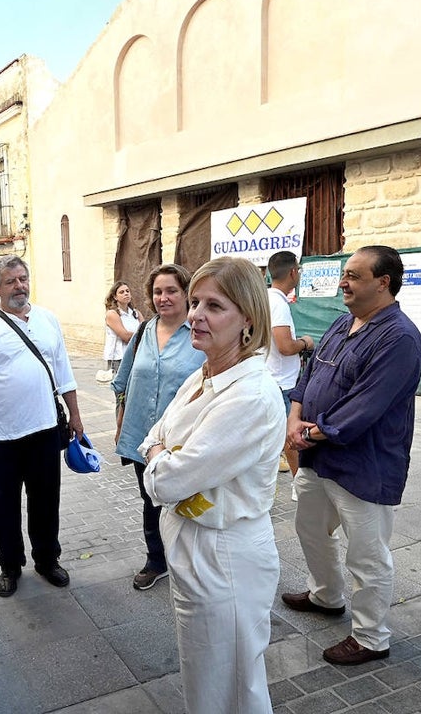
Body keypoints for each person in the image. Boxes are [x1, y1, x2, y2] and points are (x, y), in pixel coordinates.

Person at [138, 256, 286, 714]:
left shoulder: (250, 396)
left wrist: (166, 457)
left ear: (247, 319)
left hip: (225, 555)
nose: (196, 314)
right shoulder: (202, 376)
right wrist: (165, 454)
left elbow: (164, 481)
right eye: (195, 300)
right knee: (205, 673)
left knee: (234, 684)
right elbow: (151, 438)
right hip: (192, 542)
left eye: (214, 305)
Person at [282, 246, 421, 666]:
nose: (343, 282)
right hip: (317, 456)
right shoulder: (342, 322)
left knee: (366, 553)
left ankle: (370, 637)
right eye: (345, 274)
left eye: (354, 276)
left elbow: (367, 404)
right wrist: (295, 415)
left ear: (384, 282)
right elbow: (308, 375)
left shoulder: (400, 337)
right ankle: (326, 595)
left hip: (365, 464)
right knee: (310, 529)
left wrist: (310, 430)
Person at [0, 255, 83, 598]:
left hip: (44, 430)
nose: (19, 286)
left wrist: (76, 415)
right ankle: (10, 566)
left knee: (46, 502)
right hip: (1, 437)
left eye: (23, 279)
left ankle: (47, 560)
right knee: (4, 506)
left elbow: (64, 371)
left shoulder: (47, 320)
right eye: (10, 281)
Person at [111, 263, 204, 591]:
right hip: (142, 436)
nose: (163, 298)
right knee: (151, 499)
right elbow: (122, 381)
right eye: (157, 292)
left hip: (183, 440)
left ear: (186, 294)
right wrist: (120, 421)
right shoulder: (143, 332)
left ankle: (189, 561)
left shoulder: (199, 332)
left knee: (186, 501)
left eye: (171, 291)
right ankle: (156, 560)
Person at [264, 250, 314, 478]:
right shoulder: (278, 304)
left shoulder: (265, 298)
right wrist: (304, 343)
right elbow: (285, 346)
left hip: (269, 377)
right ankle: (300, 482)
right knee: (290, 434)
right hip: (280, 382)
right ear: (293, 273)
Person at [102, 280, 140, 377]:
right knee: (122, 391)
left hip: (136, 355)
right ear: (115, 297)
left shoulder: (135, 313)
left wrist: (139, 334)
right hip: (120, 358)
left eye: (127, 291)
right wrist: (140, 334)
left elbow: (146, 330)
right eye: (121, 292)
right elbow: (125, 336)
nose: (126, 294)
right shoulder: (112, 314)